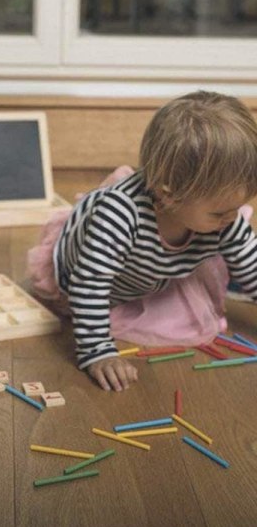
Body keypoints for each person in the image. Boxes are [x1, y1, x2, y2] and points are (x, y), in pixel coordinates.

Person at [27, 91, 257, 393]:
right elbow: (90, 284)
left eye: (236, 207)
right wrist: (98, 351)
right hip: (86, 277)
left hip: (150, 270)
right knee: (93, 289)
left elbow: (251, 264)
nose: (232, 217)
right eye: (219, 212)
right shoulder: (119, 216)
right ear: (168, 194)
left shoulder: (221, 217)